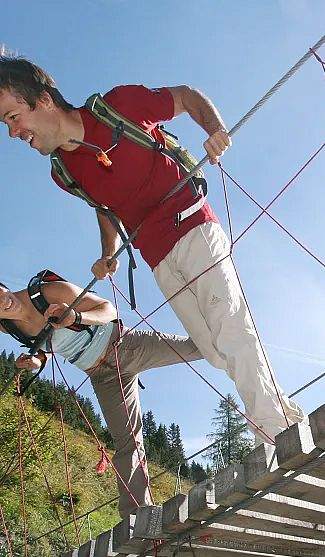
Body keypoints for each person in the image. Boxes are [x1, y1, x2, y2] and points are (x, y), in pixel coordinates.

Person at [0, 54, 304, 445]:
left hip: (192, 224)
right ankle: (287, 416)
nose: (11, 133)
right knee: (213, 349)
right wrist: (108, 252)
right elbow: (105, 207)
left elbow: (189, 97)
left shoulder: (119, 107)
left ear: (42, 100)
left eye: (12, 117)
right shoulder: (64, 173)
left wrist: (215, 130)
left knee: (230, 327)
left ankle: (276, 434)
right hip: (155, 255)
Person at [0, 273, 202, 518]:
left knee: (196, 348)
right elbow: (51, 347)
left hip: (125, 346)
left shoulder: (46, 292)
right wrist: (37, 360)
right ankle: (138, 515)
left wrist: (76, 317)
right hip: (102, 377)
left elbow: (108, 310)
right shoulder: (10, 327)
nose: (3, 302)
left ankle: (235, 341)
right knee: (127, 441)